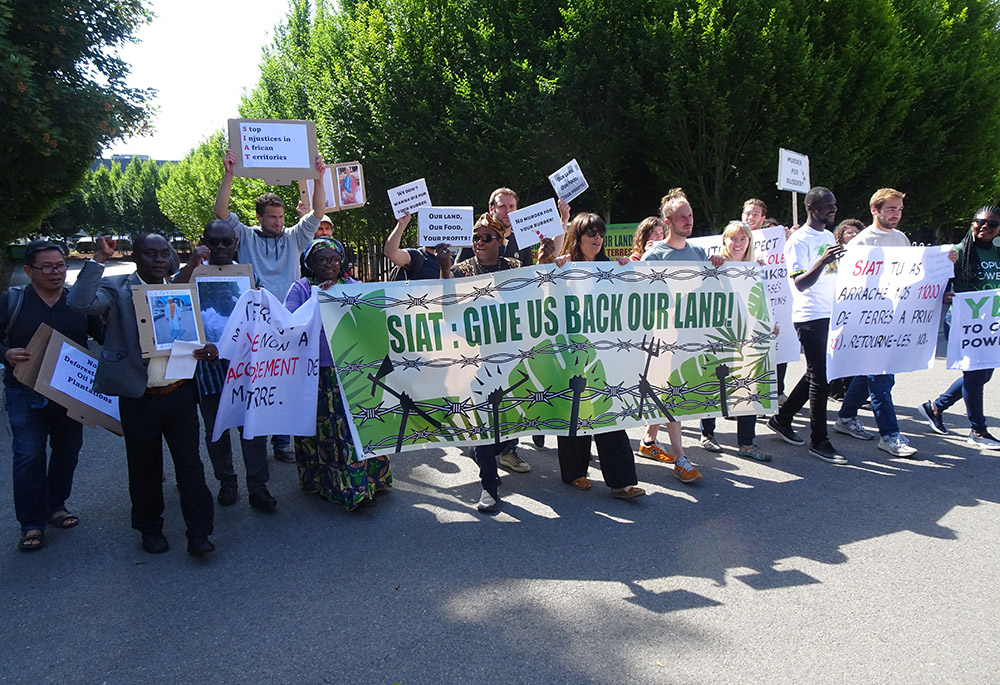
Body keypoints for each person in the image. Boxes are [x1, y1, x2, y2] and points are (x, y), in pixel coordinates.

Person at [68, 233, 216, 555]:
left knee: (190, 466)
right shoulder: (118, 289)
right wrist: (99, 260)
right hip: (139, 397)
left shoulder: (180, 290)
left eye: (164, 253)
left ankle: (200, 533)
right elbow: (78, 302)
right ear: (136, 256)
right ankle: (150, 529)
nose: (160, 259)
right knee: (145, 468)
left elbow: (196, 335)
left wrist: (207, 350)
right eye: (151, 253)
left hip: (179, 395)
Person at [214, 149, 327, 464]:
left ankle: (281, 443)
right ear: (260, 217)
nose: (279, 222)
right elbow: (221, 211)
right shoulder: (246, 238)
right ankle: (256, 438)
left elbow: (318, 211)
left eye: (281, 217)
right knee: (257, 380)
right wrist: (229, 174)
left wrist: (318, 177)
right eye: (272, 217)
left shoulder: (293, 238)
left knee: (283, 379)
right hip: (256, 325)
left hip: (288, 324)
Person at [1, 241, 104, 551]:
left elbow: (103, 335)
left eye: (60, 265)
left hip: (69, 395)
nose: (56, 272)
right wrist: (5, 353)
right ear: (29, 271)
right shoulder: (12, 301)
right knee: (28, 455)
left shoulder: (77, 302)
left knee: (67, 451)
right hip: (24, 392)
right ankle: (31, 524)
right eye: (47, 267)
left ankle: (56, 506)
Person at [538, 213, 645, 499]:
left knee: (608, 411)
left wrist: (627, 273)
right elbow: (545, 297)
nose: (597, 239)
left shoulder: (612, 267)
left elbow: (631, 300)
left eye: (600, 233)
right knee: (574, 411)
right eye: (590, 234)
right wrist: (551, 268)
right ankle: (575, 472)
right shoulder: (565, 267)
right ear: (578, 237)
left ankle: (621, 482)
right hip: (572, 350)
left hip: (605, 354)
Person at [175, 220, 276, 511]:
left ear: (235, 244)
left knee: (252, 427)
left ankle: (258, 486)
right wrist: (192, 265)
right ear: (202, 241)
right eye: (213, 241)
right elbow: (169, 298)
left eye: (226, 242)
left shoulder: (249, 276)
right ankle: (226, 480)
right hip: (207, 367)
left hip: (244, 365)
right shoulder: (191, 274)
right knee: (215, 429)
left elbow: (265, 316)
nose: (220, 247)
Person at [285, 238, 392, 509]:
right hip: (316, 372)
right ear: (310, 263)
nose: (329, 264)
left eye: (334, 259)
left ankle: (365, 483)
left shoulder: (354, 287)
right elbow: (289, 323)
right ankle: (327, 483)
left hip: (354, 369)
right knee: (324, 430)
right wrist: (320, 299)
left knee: (356, 428)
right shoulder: (300, 288)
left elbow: (374, 316)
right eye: (322, 260)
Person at [833, 189, 933, 458]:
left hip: (894, 318)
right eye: (890, 209)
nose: (896, 214)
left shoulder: (901, 239)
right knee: (882, 378)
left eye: (899, 209)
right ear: (874, 211)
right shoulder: (862, 243)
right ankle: (889, 435)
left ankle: (845, 417)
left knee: (870, 373)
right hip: (869, 321)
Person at [638, 188, 726, 482]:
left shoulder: (699, 253)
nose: (689, 220)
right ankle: (681, 458)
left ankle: (649, 441)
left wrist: (719, 267)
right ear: (668, 221)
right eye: (682, 216)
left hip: (689, 336)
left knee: (666, 391)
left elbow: (712, 291)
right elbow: (640, 293)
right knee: (671, 393)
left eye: (690, 215)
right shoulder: (655, 254)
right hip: (663, 337)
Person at [441, 214, 524, 513]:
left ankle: (497, 452)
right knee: (483, 426)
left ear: (500, 241)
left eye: (486, 237)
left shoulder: (514, 267)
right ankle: (489, 486)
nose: (479, 243)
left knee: (506, 423)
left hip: (509, 355)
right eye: (475, 237)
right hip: (474, 359)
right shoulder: (462, 270)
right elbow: (447, 307)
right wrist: (444, 270)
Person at [766, 186, 846, 464]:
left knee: (815, 373)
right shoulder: (798, 241)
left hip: (831, 312)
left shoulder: (827, 236)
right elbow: (800, 283)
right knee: (821, 378)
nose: (833, 209)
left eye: (834, 204)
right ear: (812, 208)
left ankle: (782, 418)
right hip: (810, 315)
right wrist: (823, 261)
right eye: (827, 205)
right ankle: (819, 440)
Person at [920, 206, 1000, 448]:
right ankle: (977, 430)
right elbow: (933, 283)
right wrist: (946, 294)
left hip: (992, 323)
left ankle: (935, 407)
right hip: (963, 320)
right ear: (972, 223)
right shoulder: (957, 252)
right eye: (980, 222)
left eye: (992, 224)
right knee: (975, 375)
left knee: (983, 375)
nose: (985, 227)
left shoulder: (998, 253)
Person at [695, 222, 775, 462]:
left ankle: (747, 442)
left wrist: (771, 323)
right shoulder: (716, 265)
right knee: (714, 384)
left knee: (748, 385)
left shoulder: (755, 269)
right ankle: (707, 433)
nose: (738, 243)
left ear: (749, 242)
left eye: (743, 239)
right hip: (719, 336)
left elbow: (761, 301)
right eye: (733, 239)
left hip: (749, 338)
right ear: (724, 241)